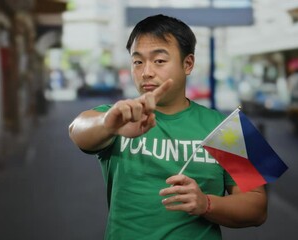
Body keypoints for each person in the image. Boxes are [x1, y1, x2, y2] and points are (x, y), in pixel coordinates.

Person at [69, 14, 267, 239]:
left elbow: (258, 208)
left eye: (159, 61)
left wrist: (206, 203)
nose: (146, 72)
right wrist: (108, 125)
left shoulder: (228, 126)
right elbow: (77, 129)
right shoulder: (120, 115)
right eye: (138, 61)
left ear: (188, 64)